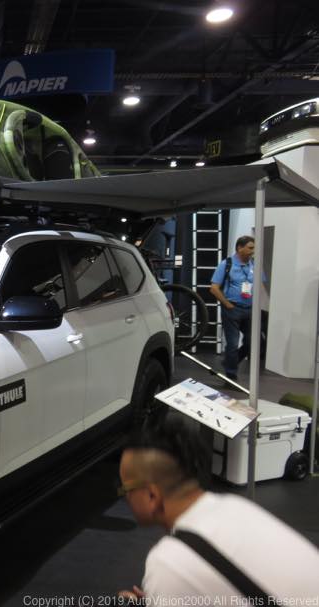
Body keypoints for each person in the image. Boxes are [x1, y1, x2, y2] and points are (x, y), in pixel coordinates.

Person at [118, 413, 319, 603]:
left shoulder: (168, 563)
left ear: (152, 496)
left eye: (125, 488)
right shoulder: (234, 506)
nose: (125, 495)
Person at [209, 236, 258, 382]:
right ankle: (231, 375)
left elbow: (259, 285)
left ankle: (230, 362)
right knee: (233, 343)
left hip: (250, 310)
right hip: (232, 309)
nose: (253, 251)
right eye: (250, 248)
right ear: (239, 248)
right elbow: (214, 288)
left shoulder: (254, 264)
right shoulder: (226, 264)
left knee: (252, 342)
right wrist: (227, 304)